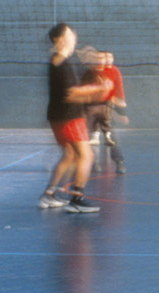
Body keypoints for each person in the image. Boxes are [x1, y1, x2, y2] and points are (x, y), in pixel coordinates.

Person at [40, 23, 110, 213]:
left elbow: (73, 93)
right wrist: (99, 89)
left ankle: (48, 194)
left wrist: (93, 93)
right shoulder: (61, 63)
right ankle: (77, 199)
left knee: (70, 155)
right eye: (70, 34)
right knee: (87, 155)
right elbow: (71, 94)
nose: (74, 36)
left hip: (60, 115)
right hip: (69, 117)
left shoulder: (59, 61)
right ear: (61, 39)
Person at [87, 50, 128, 173]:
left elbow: (119, 92)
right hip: (91, 109)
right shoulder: (90, 72)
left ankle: (119, 162)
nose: (104, 60)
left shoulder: (114, 71)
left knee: (111, 137)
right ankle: (94, 163)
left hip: (106, 109)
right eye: (101, 57)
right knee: (92, 138)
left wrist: (122, 113)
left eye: (108, 57)